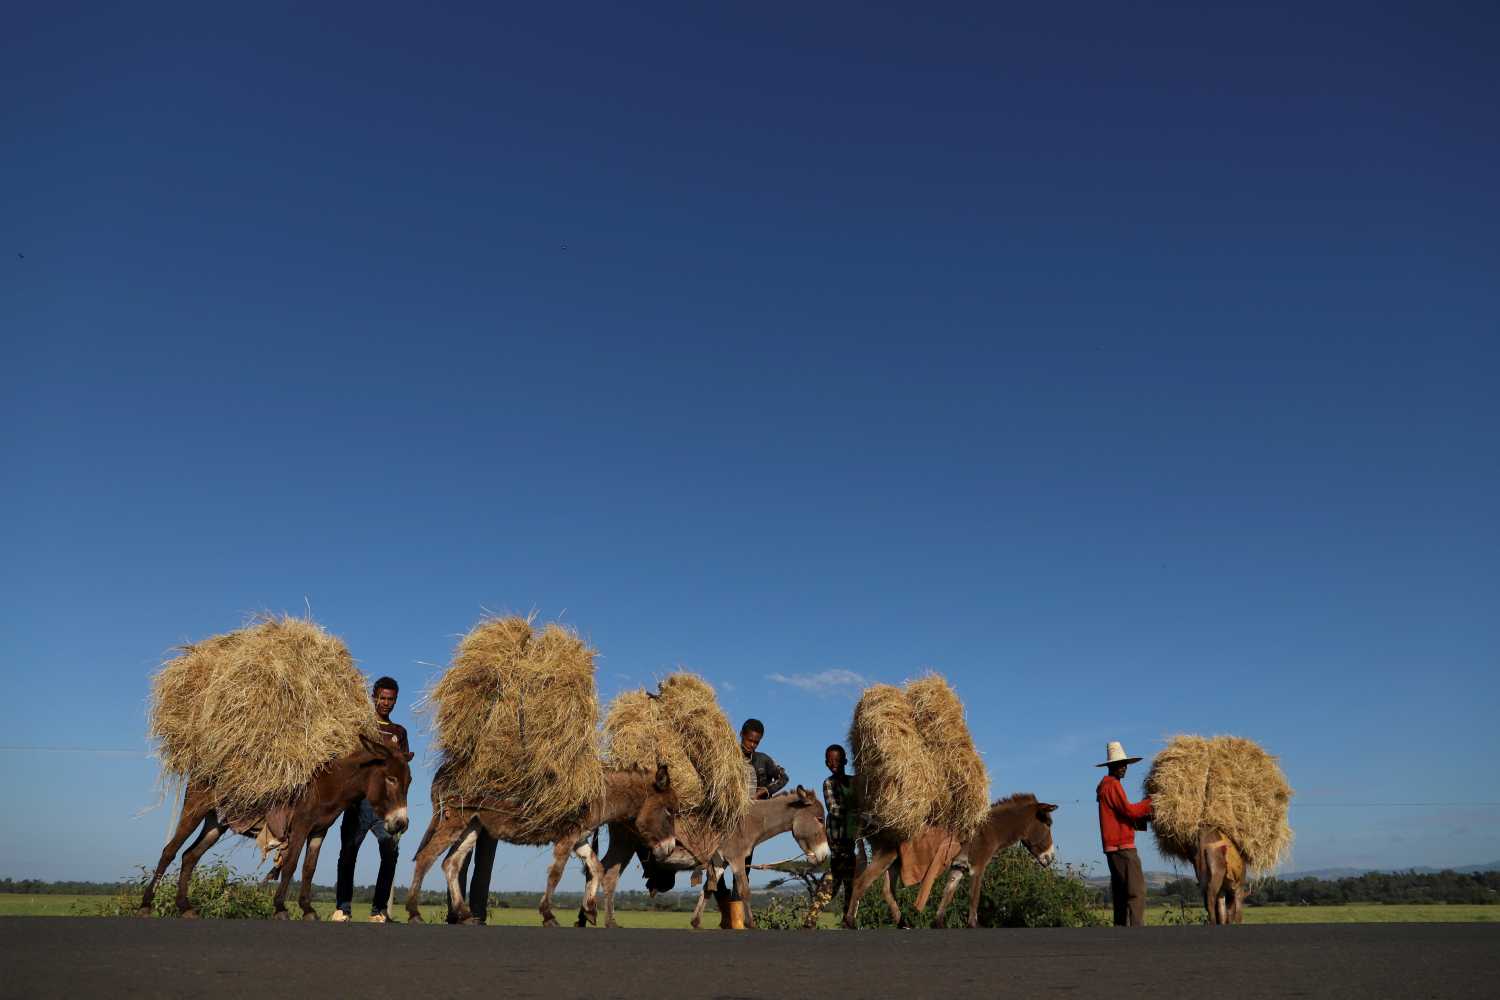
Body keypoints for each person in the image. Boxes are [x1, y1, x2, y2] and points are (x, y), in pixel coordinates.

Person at [332, 676, 410, 923]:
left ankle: (379, 910)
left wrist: (401, 808)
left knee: (390, 852)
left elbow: (402, 772)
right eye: (382, 698)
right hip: (358, 802)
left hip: (385, 807)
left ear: (396, 700)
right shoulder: (361, 725)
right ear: (374, 697)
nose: (386, 703)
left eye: (391, 699)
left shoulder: (399, 732)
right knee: (348, 852)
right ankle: (342, 908)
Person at [1096, 740, 1153, 927]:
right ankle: (1137, 932)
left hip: (1112, 847)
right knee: (1136, 891)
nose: (1123, 768)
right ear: (1111, 767)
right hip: (1122, 846)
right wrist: (1150, 802)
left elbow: (1123, 813)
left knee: (1121, 893)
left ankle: (1120, 932)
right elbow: (1129, 811)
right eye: (1119, 765)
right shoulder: (1113, 785)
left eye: (1124, 764)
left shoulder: (1105, 786)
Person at [804, 743, 861, 927]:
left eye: (837, 760)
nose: (833, 763)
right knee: (837, 876)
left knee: (848, 879)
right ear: (826, 763)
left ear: (845, 761)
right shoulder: (828, 783)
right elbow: (834, 809)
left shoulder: (855, 782)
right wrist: (856, 812)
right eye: (830, 761)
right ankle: (814, 919)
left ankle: (845, 918)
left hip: (852, 838)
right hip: (838, 838)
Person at [739, 718, 788, 799]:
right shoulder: (729, 759)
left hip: (761, 806)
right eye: (749, 740)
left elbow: (784, 778)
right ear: (741, 734)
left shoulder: (763, 759)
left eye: (756, 742)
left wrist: (765, 790)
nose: (752, 745)